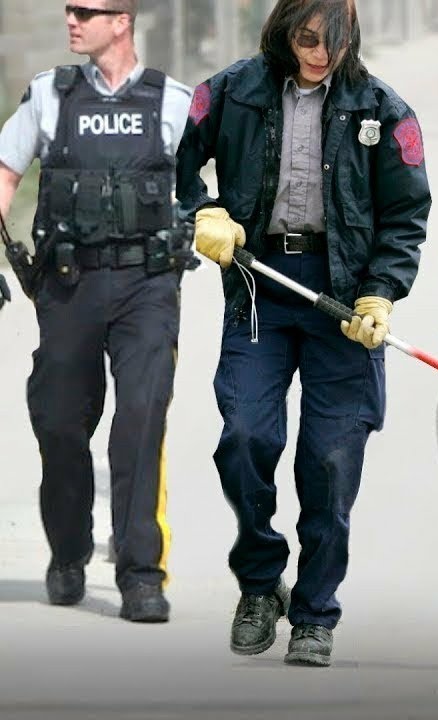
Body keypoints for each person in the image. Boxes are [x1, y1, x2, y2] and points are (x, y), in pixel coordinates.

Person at [175, 0, 431, 666]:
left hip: (342, 297)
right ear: (285, 30)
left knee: (330, 461)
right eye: (309, 39)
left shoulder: (385, 111)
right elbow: (173, 161)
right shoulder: (230, 91)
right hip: (261, 282)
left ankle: (315, 613)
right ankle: (261, 584)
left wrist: (380, 290)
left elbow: (405, 217)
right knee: (246, 437)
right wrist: (205, 211)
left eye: (335, 41)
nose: (321, 53)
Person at [0, 0, 195, 622]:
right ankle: (68, 552)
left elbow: (210, 186)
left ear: (124, 20)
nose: (72, 20)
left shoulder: (173, 103)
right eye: (69, 9)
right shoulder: (49, 95)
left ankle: (141, 573)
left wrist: (212, 219)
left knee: (140, 420)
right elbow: (5, 171)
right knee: (59, 422)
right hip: (67, 284)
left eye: (88, 10)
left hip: (147, 285)